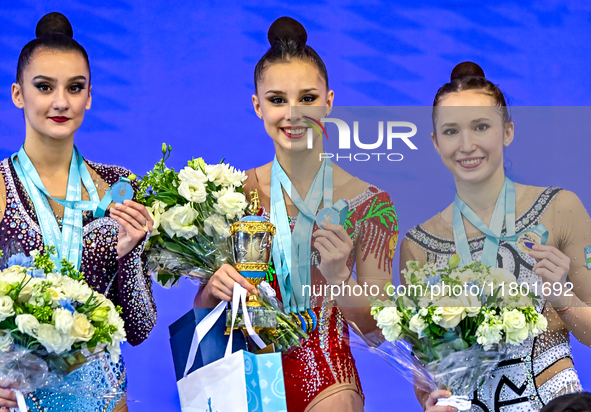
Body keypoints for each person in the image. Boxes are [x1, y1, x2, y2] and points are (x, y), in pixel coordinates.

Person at [194, 17, 399, 412]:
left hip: (325, 375)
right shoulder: (228, 195)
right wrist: (211, 289)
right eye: (277, 100)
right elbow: (203, 311)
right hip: (243, 376)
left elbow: (376, 330)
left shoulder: (369, 203)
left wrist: (340, 277)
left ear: (329, 101)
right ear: (257, 106)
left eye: (307, 98)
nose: (293, 113)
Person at [399, 62, 590, 412]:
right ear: (435, 142)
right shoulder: (418, 243)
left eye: (481, 127)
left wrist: (561, 295)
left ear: (507, 131)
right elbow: (427, 368)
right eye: (451, 131)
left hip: (556, 405)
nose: (467, 145)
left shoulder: (559, 208)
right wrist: (430, 401)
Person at [0, 12, 157, 412]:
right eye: (44, 87)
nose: (60, 102)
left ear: (89, 96)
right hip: (18, 398)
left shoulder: (119, 186)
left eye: (74, 88)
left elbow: (139, 327)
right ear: (18, 94)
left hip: (105, 397)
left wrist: (128, 256)